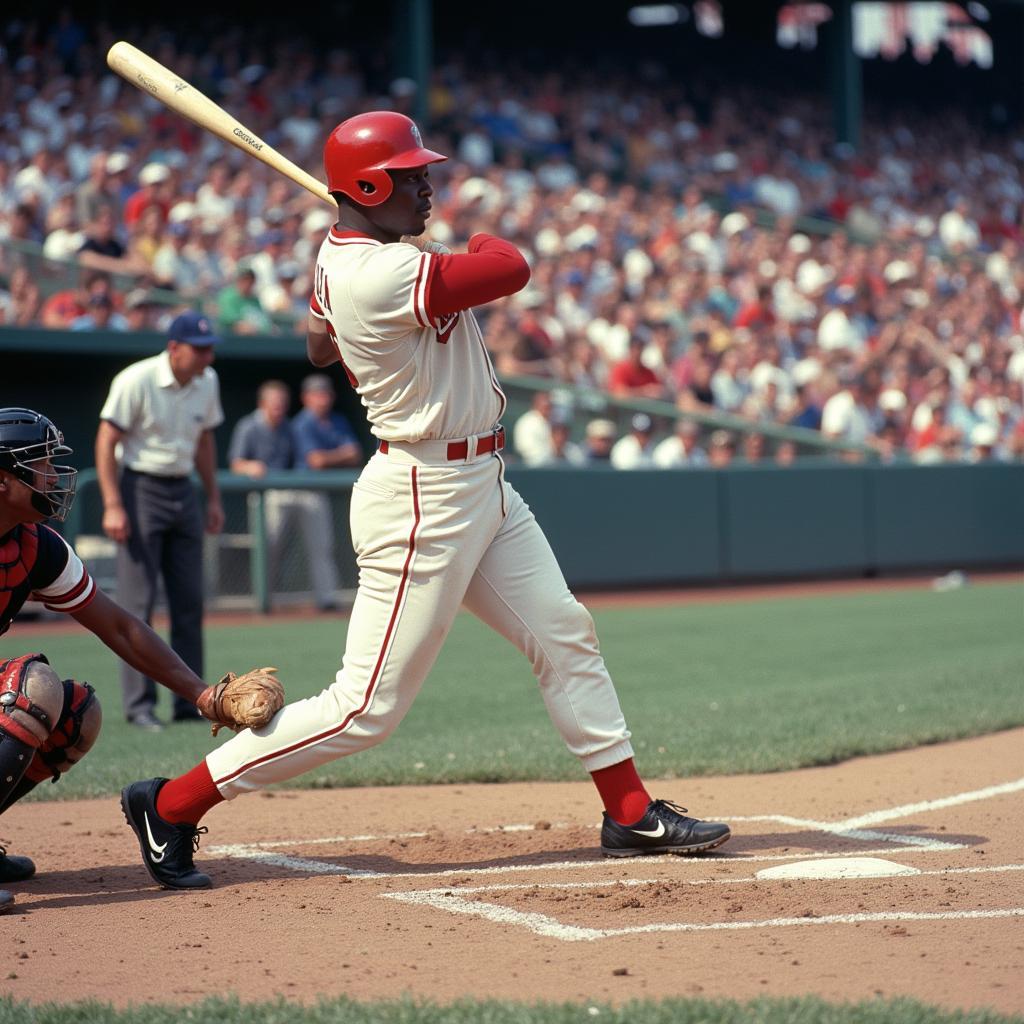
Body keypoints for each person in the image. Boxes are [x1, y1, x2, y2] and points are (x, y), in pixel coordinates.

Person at [118, 111, 730, 891]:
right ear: (368, 186)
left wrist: (381, 255)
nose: (428, 184)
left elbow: (316, 344)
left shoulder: (351, 259)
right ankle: (169, 803)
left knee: (564, 632)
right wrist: (442, 248)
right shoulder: (379, 271)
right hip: (423, 494)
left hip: (482, 483)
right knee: (364, 708)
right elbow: (508, 267)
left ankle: (630, 809)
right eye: (411, 176)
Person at [0, 408, 229, 914]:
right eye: (38, 464)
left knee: (76, 714)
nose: (52, 476)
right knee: (31, 689)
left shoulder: (36, 547)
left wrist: (200, 693)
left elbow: (121, 626)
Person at [95, 311, 225, 731]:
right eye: (199, 348)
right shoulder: (136, 379)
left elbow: (205, 440)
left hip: (182, 487)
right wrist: (113, 503)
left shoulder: (208, 382)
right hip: (140, 488)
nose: (207, 356)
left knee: (189, 601)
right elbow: (106, 438)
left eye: (209, 348)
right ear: (174, 347)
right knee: (138, 603)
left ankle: (191, 702)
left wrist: (213, 498)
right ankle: (139, 706)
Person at [228, 380, 344, 611]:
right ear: (262, 404)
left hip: (295, 489)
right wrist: (250, 467)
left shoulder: (289, 427)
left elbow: (307, 459)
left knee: (321, 545)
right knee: (268, 548)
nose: (279, 408)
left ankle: (327, 599)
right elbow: (235, 464)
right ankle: (263, 602)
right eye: (275, 404)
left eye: (283, 404)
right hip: (267, 495)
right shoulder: (249, 426)